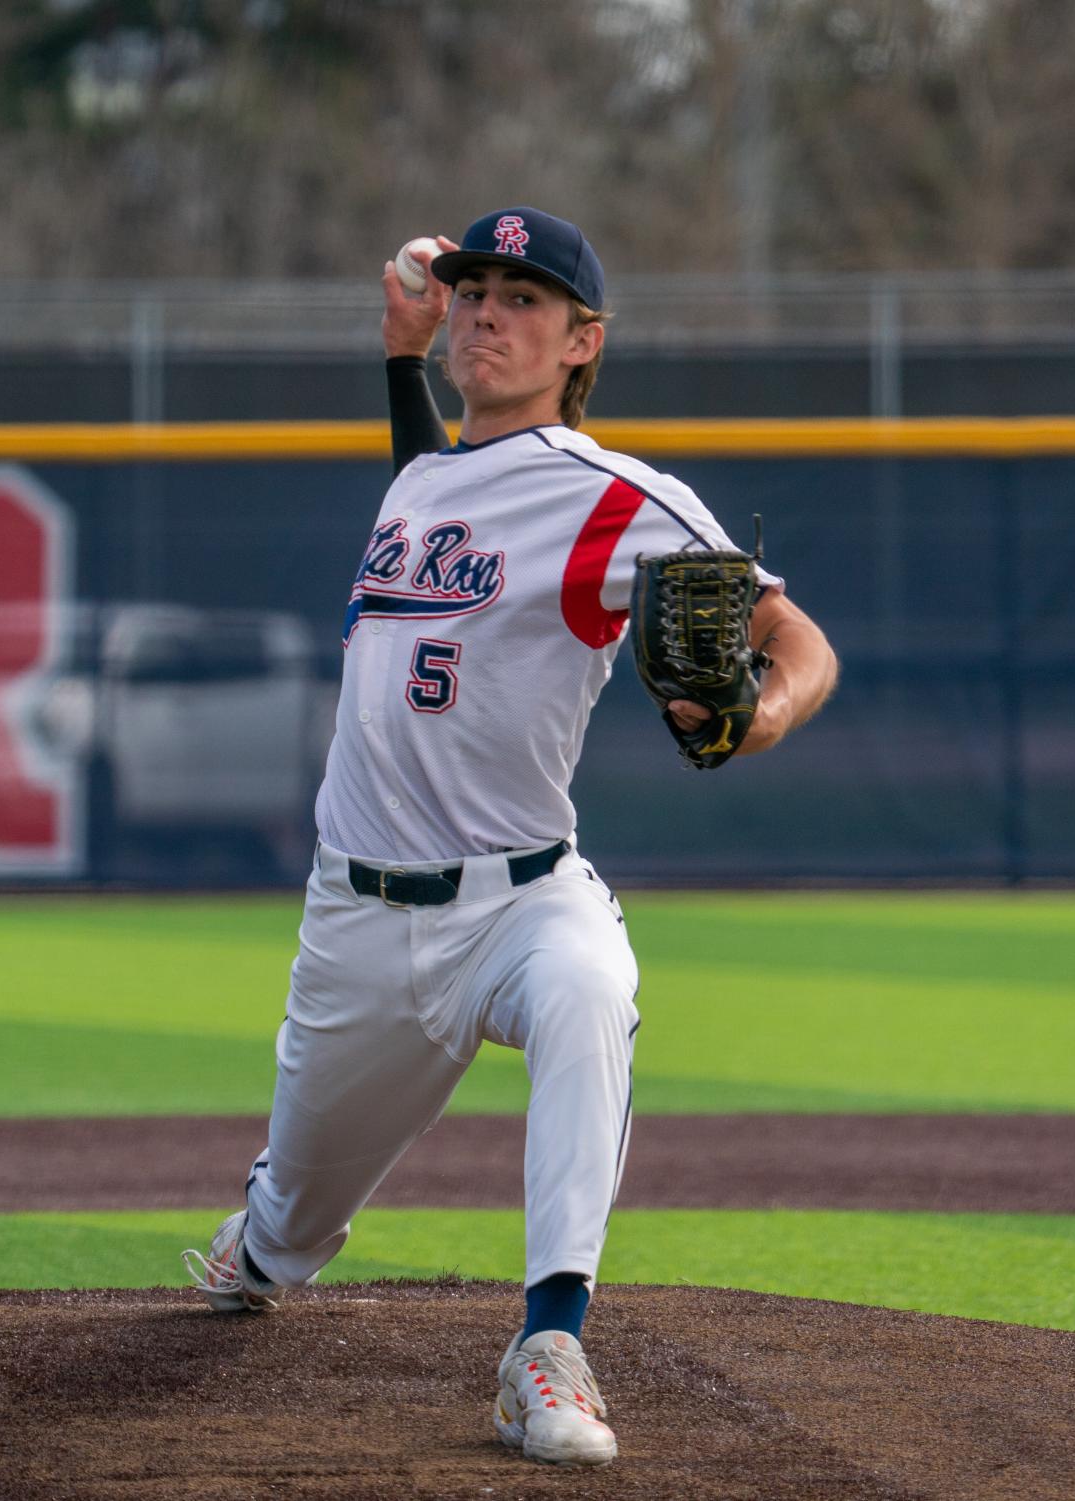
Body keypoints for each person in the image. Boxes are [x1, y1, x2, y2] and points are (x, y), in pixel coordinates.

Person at [183, 206, 838, 1468]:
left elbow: (802, 646)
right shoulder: (425, 480)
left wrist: (758, 716)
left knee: (593, 986)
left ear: (583, 341)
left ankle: (550, 1340)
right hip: (359, 921)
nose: (486, 311)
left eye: (522, 299)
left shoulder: (617, 499)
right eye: (474, 290)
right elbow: (449, 498)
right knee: (285, 1239)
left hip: (522, 897)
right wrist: (396, 358)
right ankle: (265, 1229)